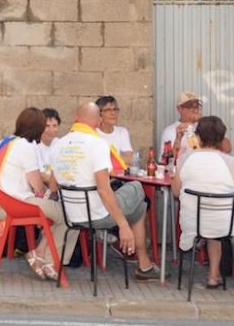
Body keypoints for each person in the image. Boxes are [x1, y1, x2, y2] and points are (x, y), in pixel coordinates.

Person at [51, 102, 163, 282]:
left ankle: (144, 265)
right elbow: (104, 190)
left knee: (139, 207)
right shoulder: (98, 144)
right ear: (98, 121)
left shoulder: (59, 144)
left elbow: (53, 184)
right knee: (136, 187)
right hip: (97, 215)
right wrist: (123, 226)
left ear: (76, 118)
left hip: (70, 214)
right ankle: (143, 263)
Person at [0, 107, 67, 280]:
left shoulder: (6, 141)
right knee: (68, 215)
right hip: (16, 204)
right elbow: (37, 186)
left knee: (56, 211)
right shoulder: (26, 146)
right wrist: (50, 195)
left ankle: (40, 254)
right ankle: (47, 259)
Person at [171, 116, 234, 288]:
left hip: (192, 222)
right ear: (221, 138)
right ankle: (213, 276)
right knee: (214, 227)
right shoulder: (232, 163)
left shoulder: (185, 159)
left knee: (206, 220)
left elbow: (175, 191)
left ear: (198, 137)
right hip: (224, 224)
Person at [159, 91, 232, 164]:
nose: (195, 110)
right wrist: (178, 140)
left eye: (197, 106)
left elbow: (227, 148)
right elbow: (165, 163)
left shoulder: (207, 126)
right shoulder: (169, 131)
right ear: (179, 109)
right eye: (190, 106)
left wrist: (202, 122)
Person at [95, 96, 133, 165]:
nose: (113, 113)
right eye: (108, 110)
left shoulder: (122, 132)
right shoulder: (92, 133)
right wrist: (118, 160)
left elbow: (129, 158)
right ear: (99, 114)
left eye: (115, 109)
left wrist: (103, 160)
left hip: (117, 174)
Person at [37, 108, 62, 196]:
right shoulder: (35, 146)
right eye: (47, 126)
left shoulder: (61, 144)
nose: (51, 130)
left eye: (54, 126)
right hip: (43, 192)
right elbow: (41, 175)